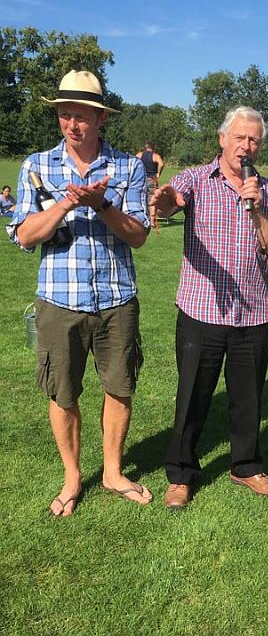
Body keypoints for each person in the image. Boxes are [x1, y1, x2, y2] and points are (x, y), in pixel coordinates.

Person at [6, 70, 152, 516]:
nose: (72, 124)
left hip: (116, 298)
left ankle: (111, 471)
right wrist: (67, 203)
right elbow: (24, 236)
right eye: (65, 115)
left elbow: (139, 236)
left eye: (82, 116)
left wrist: (101, 205)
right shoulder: (37, 166)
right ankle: (72, 476)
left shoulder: (127, 166)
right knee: (62, 393)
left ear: (100, 119)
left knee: (119, 388)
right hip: (59, 300)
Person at [150, 106, 268, 509]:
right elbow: (173, 203)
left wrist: (259, 210)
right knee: (192, 395)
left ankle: (246, 466)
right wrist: (165, 201)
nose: (246, 146)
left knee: (249, 398)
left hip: (253, 314)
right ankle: (180, 473)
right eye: (240, 138)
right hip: (201, 311)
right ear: (222, 139)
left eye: (254, 140)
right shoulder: (195, 179)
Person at [136, 141, 164, 229]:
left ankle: (140, 219)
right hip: (151, 179)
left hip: (140, 179)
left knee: (140, 199)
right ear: (153, 148)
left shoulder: (139, 155)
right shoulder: (155, 156)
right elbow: (161, 163)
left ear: (146, 147)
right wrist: (158, 173)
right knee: (152, 199)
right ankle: (151, 221)